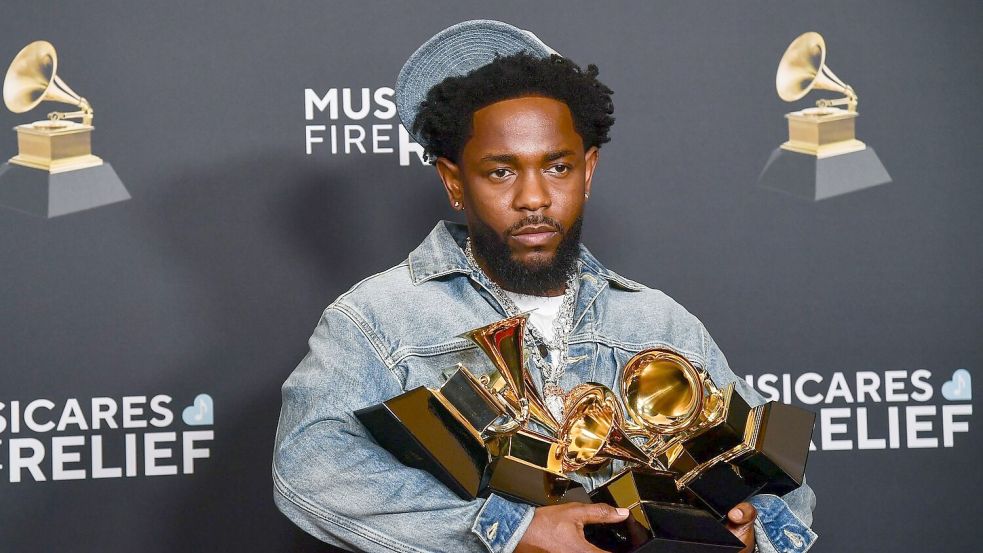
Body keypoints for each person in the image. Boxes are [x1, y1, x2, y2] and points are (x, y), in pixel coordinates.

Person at [274, 19, 817, 553]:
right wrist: (508, 532)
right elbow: (310, 465)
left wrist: (752, 530)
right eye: (502, 172)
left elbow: (777, 482)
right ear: (453, 181)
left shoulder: (659, 322)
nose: (533, 198)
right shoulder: (377, 320)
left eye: (556, 167)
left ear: (589, 169)